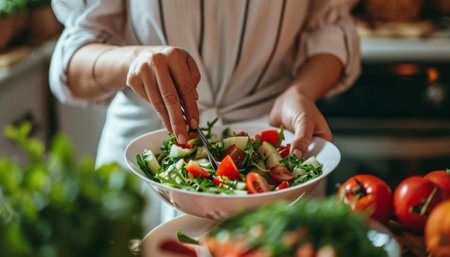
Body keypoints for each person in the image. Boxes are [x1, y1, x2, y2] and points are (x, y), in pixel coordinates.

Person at [49, 0, 360, 230]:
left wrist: (301, 91)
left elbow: (329, 25)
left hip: (277, 133)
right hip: (147, 155)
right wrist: (131, 60)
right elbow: (73, 56)